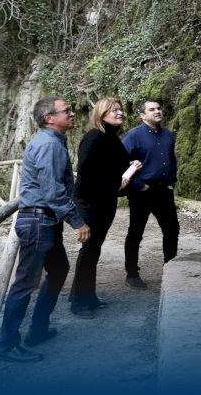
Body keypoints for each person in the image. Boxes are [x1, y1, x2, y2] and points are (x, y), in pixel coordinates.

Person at [0, 96, 91, 362]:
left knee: (59, 269)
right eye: (66, 110)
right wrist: (78, 221)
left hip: (44, 220)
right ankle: (6, 345)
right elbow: (52, 192)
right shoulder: (49, 145)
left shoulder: (52, 141)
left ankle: (38, 329)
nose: (72, 113)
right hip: (38, 221)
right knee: (25, 284)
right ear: (49, 118)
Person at [70, 97, 141, 318]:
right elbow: (86, 173)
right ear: (101, 114)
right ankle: (79, 303)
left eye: (120, 110)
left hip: (106, 201)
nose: (120, 113)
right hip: (90, 201)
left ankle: (86, 296)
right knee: (89, 250)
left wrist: (130, 167)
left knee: (94, 250)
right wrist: (118, 182)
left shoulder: (113, 139)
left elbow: (119, 166)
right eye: (114, 110)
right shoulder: (94, 136)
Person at [121, 99, 180, 289]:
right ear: (142, 115)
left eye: (159, 108)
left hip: (164, 190)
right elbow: (120, 163)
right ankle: (132, 274)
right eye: (151, 109)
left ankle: (171, 270)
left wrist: (171, 182)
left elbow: (172, 160)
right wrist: (138, 185)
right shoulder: (133, 136)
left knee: (172, 230)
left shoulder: (168, 135)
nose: (157, 111)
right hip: (142, 191)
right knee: (136, 232)